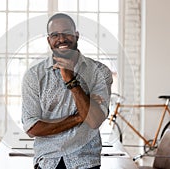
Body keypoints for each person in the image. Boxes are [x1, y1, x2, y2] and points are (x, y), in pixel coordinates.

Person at [21, 13, 113, 169]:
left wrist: (70, 80)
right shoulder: (34, 76)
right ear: (49, 40)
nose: (61, 39)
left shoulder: (100, 72)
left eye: (66, 33)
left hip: (86, 161)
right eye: (55, 35)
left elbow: (94, 120)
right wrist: (79, 117)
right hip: (47, 161)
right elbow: (32, 127)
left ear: (76, 35)